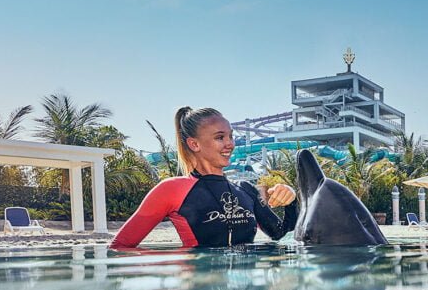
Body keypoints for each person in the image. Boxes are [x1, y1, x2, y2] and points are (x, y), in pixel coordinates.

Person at [111, 106, 297, 249]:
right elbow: (119, 246)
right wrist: (180, 258)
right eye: (220, 137)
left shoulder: (246, 189)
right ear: (194, 144)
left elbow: (281, 235)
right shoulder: (172, 190)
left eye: (231, 137)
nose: (230, 144)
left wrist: (291, 199)